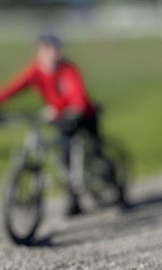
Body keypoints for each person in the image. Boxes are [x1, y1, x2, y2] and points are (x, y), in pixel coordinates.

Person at [0, 34, 101, 215]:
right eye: (46, 50)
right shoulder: (36, 71)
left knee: (95, 151)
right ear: (38, 52)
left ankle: (112, 186)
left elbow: (78, 95)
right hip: (60, 118)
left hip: (83, 115)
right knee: (64, 157)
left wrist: (70, 108)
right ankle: (74, 200)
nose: (51, 54)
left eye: (54, 49)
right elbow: (13, 87)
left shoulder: (68, 69)